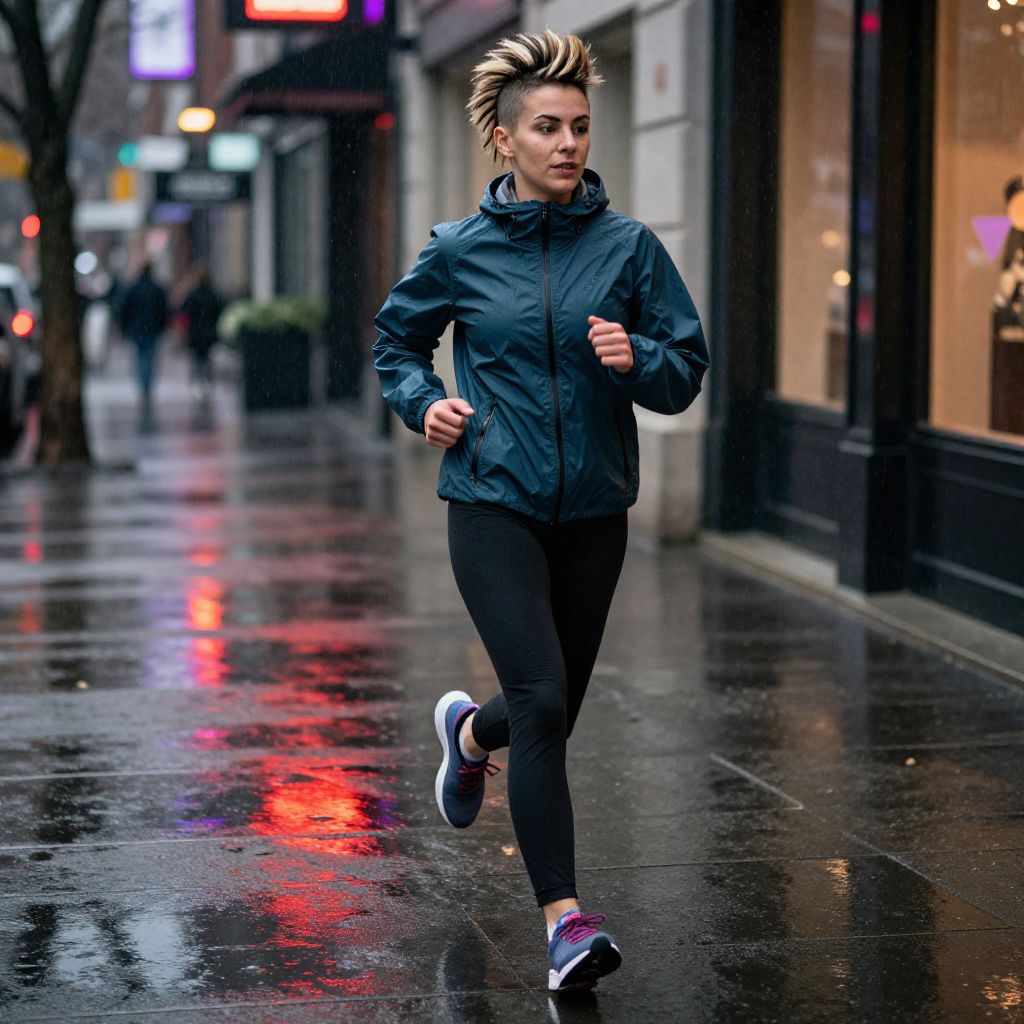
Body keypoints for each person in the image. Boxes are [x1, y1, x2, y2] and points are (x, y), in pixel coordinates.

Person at [373, 30, 709, 992]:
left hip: (595, 508)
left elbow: (684, 370)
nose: (568, 143)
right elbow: (397, 342)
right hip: (491, 499)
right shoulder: (460, 251)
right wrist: (421, 402)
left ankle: (468, 738)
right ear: (505, 139)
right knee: (545, 702)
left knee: (545, 707)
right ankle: (565, 924)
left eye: (580, 127)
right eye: (548, 127)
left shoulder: (630, 249)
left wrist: (635, 359)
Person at [119, 262, 168, 407]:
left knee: (140, 357)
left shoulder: (133, 289)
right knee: (149, 357)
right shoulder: (157, 289)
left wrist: (125, 328)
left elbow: (124, 310)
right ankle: (146, 384)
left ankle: (143, 384)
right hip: (152, 329)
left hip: (137, 329)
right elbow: (163, 310)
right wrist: (161, 326)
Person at [179, 267, 224, 403]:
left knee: (196, 360)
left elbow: (184, 311)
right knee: (206, 359)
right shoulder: (213, 294)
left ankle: (197, 385)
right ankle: (207, 384)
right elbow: (219, 311)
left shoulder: (192, 294)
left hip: (195, 333)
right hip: (209, 333)